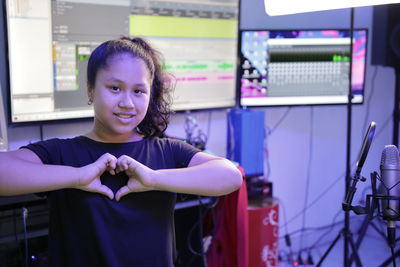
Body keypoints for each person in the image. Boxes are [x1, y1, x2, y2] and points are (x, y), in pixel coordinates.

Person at [0, 37, 242, 267]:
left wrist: (155, 179)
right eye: (115, 88)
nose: (127, 102)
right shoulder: (62, 152)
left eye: (138, 91)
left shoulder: (166, 150)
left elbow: (230, 176)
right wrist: (77, 176)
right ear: (91, 90)